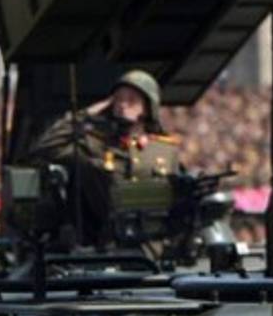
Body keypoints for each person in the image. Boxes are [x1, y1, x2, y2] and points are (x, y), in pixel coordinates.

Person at [21, 70, 176, 245]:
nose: (123, 105)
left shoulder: (164, 151)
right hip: (108, 249)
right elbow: (44, 147)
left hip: (155, 249)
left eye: (132, 100)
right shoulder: (93, 146)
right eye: (118, 99)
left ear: (148, 108)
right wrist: (85, 114)